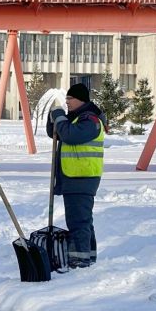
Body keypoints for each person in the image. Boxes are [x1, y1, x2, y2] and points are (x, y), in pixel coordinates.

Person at [46, 83, 106, 268]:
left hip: (82, 177)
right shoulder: (75, 118)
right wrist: (53, 117)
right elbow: (55, 133)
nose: (67, 102)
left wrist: (60, 118)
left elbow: (70, 135)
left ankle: (80, 261)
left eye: (70, 99)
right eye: (66, 99)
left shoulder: (91, 120)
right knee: (83, 219)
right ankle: (89, 255)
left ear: (81, 100)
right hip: (74, 177)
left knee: (78, 220)